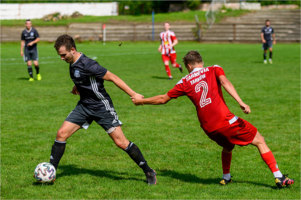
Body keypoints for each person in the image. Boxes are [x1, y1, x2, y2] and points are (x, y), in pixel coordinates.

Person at [131, 51, 294, 188]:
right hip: (225, 121)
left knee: (228, 145)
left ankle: (226, 177)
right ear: (201, 62)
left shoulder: (184, 81)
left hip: (209, 128)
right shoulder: (214, 69)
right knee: (259, 139)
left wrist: (141, 101)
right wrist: (240, 102)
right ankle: (279, 177)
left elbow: (162, 99)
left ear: (188, 66)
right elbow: (225, 82)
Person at [50, 34, 156, 185]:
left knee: (121, 143)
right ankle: (51, 172)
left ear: (72, 49)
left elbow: (113, 77)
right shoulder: (72, 62)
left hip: (101, 107)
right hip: (84, 106)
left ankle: (148, 170)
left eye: (63, 54)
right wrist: (77, 86)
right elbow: (83, 78)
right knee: (61, 134)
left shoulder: (88, 64)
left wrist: (134, 94)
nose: (61, 58)